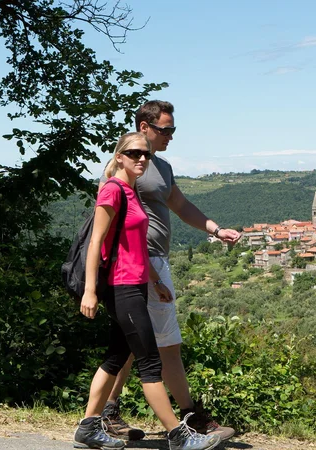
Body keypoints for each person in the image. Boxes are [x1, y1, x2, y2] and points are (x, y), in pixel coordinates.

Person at [98, 102, 242, 441]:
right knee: (163, 346)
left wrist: (214, 229)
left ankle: (106, 413)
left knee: (135, 344)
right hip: (141, 264)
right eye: (166, 130)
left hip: (153, 262)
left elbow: (179, 205)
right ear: (144, 127)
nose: (171, 137)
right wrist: (153, 275)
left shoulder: (160, 167)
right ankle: (190, 419)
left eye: (173, 130)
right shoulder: (129, 168)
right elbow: (115, 223)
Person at [74, 132, 220, 450]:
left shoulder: (131, 192)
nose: (142, 158)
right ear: (120, 157)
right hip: (120, 286)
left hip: (138, 283)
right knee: (150, 362)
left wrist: (155, 281)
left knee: (115, 358)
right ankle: (178, 436)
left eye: (147, 154)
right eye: (136, 153)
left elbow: (137, 245)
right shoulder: (112, 191)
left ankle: (87, 428)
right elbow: (95, 242)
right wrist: (89, 290)